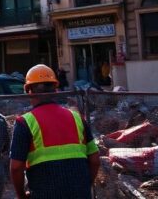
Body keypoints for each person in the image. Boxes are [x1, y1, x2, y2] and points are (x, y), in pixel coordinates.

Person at [9, 64, 99, 199]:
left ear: (29, 92)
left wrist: (21, 196)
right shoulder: (77, 118)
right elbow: (95, 160)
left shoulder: (25, 122)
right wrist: (85, 186)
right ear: (55, 90)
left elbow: (16, 167)